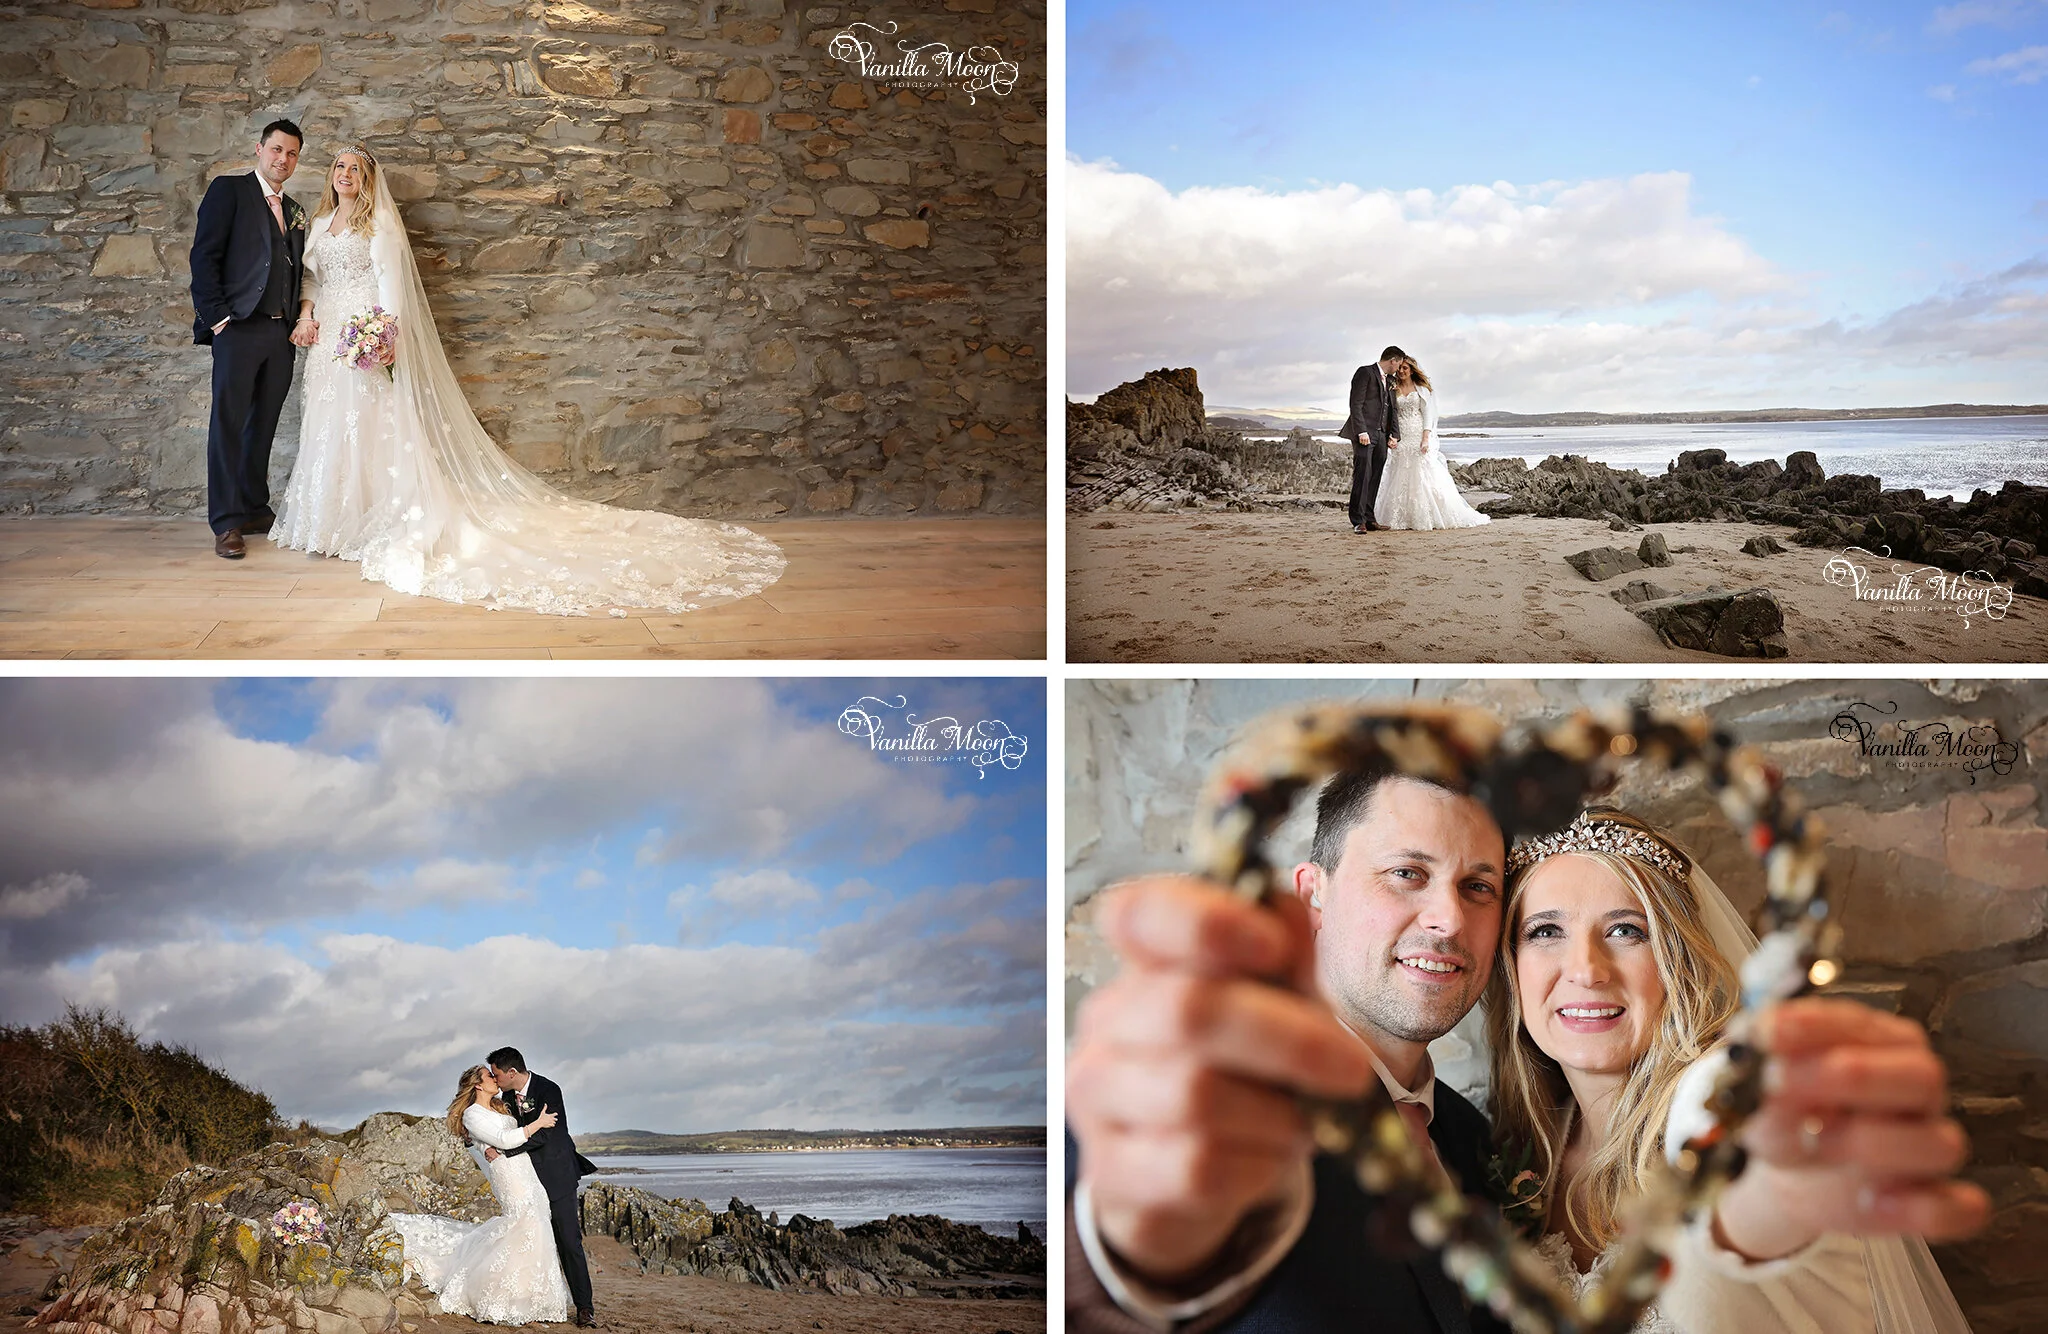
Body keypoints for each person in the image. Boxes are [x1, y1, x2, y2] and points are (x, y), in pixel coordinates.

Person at [1065, 772, 1989, 1333]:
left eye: (1477, 887)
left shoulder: (1482, 1147)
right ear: (1313, 891)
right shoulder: (1213, 1094)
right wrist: (1125, 1259)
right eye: (1406, 875)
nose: (1445, 918)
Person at [1492, 807, 1974, 1332]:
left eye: (1628, 930)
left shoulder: (1719, 1109)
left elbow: (1753, 1200)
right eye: (1545, 931)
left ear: (1677, 959)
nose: (1585, 969)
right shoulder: (1526, 1148)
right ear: (1511, 963)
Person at [270, 143, 785, 616]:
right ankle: (330, 521)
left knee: (371, 422)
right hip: (325, 334)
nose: (345, 175)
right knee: (328, 422)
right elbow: (312, 276)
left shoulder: (376, 225)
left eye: (355, 170)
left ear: (368, 179)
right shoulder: (320, 223)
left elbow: (390, 285)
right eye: (339, 167)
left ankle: (376, 516)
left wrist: (383, 333)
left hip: (363, 332)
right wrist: (306, 315)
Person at [189, 120, 313, 560]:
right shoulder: (230, 191)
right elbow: (204, 256)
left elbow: (297, 270)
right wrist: (218, 318)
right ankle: (226, 522)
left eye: (292, 154)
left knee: (263, 423)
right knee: (228, 423)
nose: (283, 159)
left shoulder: (295, 209)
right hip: (238, 328)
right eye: (277, 149)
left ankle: (253, 507)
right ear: (260, 149)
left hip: (279, 334)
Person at [386, 1065, 572, 1325]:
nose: (495, 1079)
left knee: (537, 1219)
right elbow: (504, 1140)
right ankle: (503, 1294)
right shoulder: (472, 1114)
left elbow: (500, 1140)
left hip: (526, 1170)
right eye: (489, 1076)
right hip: (508, 1174)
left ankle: (532, 1293)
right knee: (521, 1220)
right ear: (477, 1085)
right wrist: (538, 1124)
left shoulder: (499, 1106)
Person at [481, 1047, 599, 1327]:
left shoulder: (548, 1089)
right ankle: (524, 1301)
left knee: (568, 1242)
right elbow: (499, 1127)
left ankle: (585, 1308)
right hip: (526, 1181)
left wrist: (506, 1151)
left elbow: (546, 1133)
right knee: (529, 1239)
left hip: (557, 1176)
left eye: (497, 1074)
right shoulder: (506, 1096)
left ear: (512, 1072)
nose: (495, 1080)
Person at [1374, 358, 1490, 532]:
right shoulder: (1392, 387)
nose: (1402, 371)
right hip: (1400, 435)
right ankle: (1399, 516)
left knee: (1421, 471)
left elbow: (1427, 414)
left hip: (1417, 432)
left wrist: (1425, 438)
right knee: (1399, 472)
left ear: (1412, 370)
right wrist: (1391, 435)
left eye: (1405, 368)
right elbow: (1389, 412)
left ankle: (1424, 514)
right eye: (1400, 368)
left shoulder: (1421, 389)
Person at [1338, 347, 1403, 535]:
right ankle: (1358, 521)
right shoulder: (1365, 372)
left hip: (1382, 436)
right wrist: (1361, 431)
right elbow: (1355, 404)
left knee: (1375, 477)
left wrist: (1394, 434)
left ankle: (1369, 518)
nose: (1398, 369)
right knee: (1362, 475)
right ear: (1393, 360)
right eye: (1398, 364)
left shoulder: (1390, 381)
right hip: (1365, 435)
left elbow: (1393, 409)